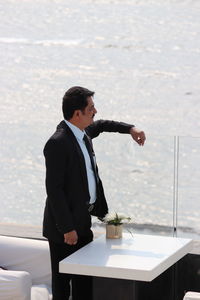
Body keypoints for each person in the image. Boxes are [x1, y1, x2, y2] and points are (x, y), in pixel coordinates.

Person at [43, 86, 146, 300]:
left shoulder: (84, 132)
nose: (95, 111)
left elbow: (102, 125)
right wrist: (67, 228)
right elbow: (54, 190)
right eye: (90, 108)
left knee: (84, 285)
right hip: (64, 230)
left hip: (82, 222)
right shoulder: (57, 143)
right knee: (62, 288)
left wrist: (131, 129)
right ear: (77, 113)